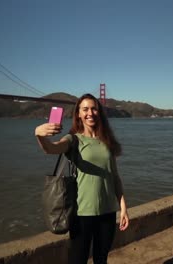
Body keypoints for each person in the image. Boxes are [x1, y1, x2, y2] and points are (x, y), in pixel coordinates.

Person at [35, 93, 129, 264]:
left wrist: (123, 207)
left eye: (94, 108)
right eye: (85, 109)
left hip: (108, 212)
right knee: (77, 260)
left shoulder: (106, 140)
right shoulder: (73, 139)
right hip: (82, 213)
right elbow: (52, 149)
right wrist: (39, 135)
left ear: (99, 112)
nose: (90, 113)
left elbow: (114, 176)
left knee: (102, 259)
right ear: (78, 113)